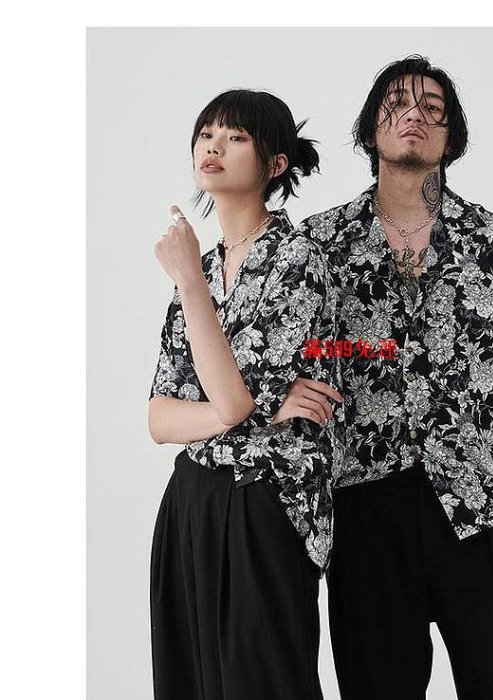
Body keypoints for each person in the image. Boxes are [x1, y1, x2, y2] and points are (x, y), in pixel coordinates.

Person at [291, 55, 493, 699]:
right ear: (370, 129)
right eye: (396, 104)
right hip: (365, 511)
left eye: (433, 109)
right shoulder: (318, 246)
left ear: (452, 138)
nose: (414, 115)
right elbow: (282, 357)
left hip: (485, 505)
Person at [147, 88, 343, 700]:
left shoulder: (297, 258)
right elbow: (159, 418)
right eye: (207, 133)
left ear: (275, 164)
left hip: (266, 500)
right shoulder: (202, 266)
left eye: (236, 137)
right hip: (191, 498)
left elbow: (230, 402)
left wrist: (188, 282)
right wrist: (240, 411)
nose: (214, 146)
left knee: (265, 682)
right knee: (190, 680)